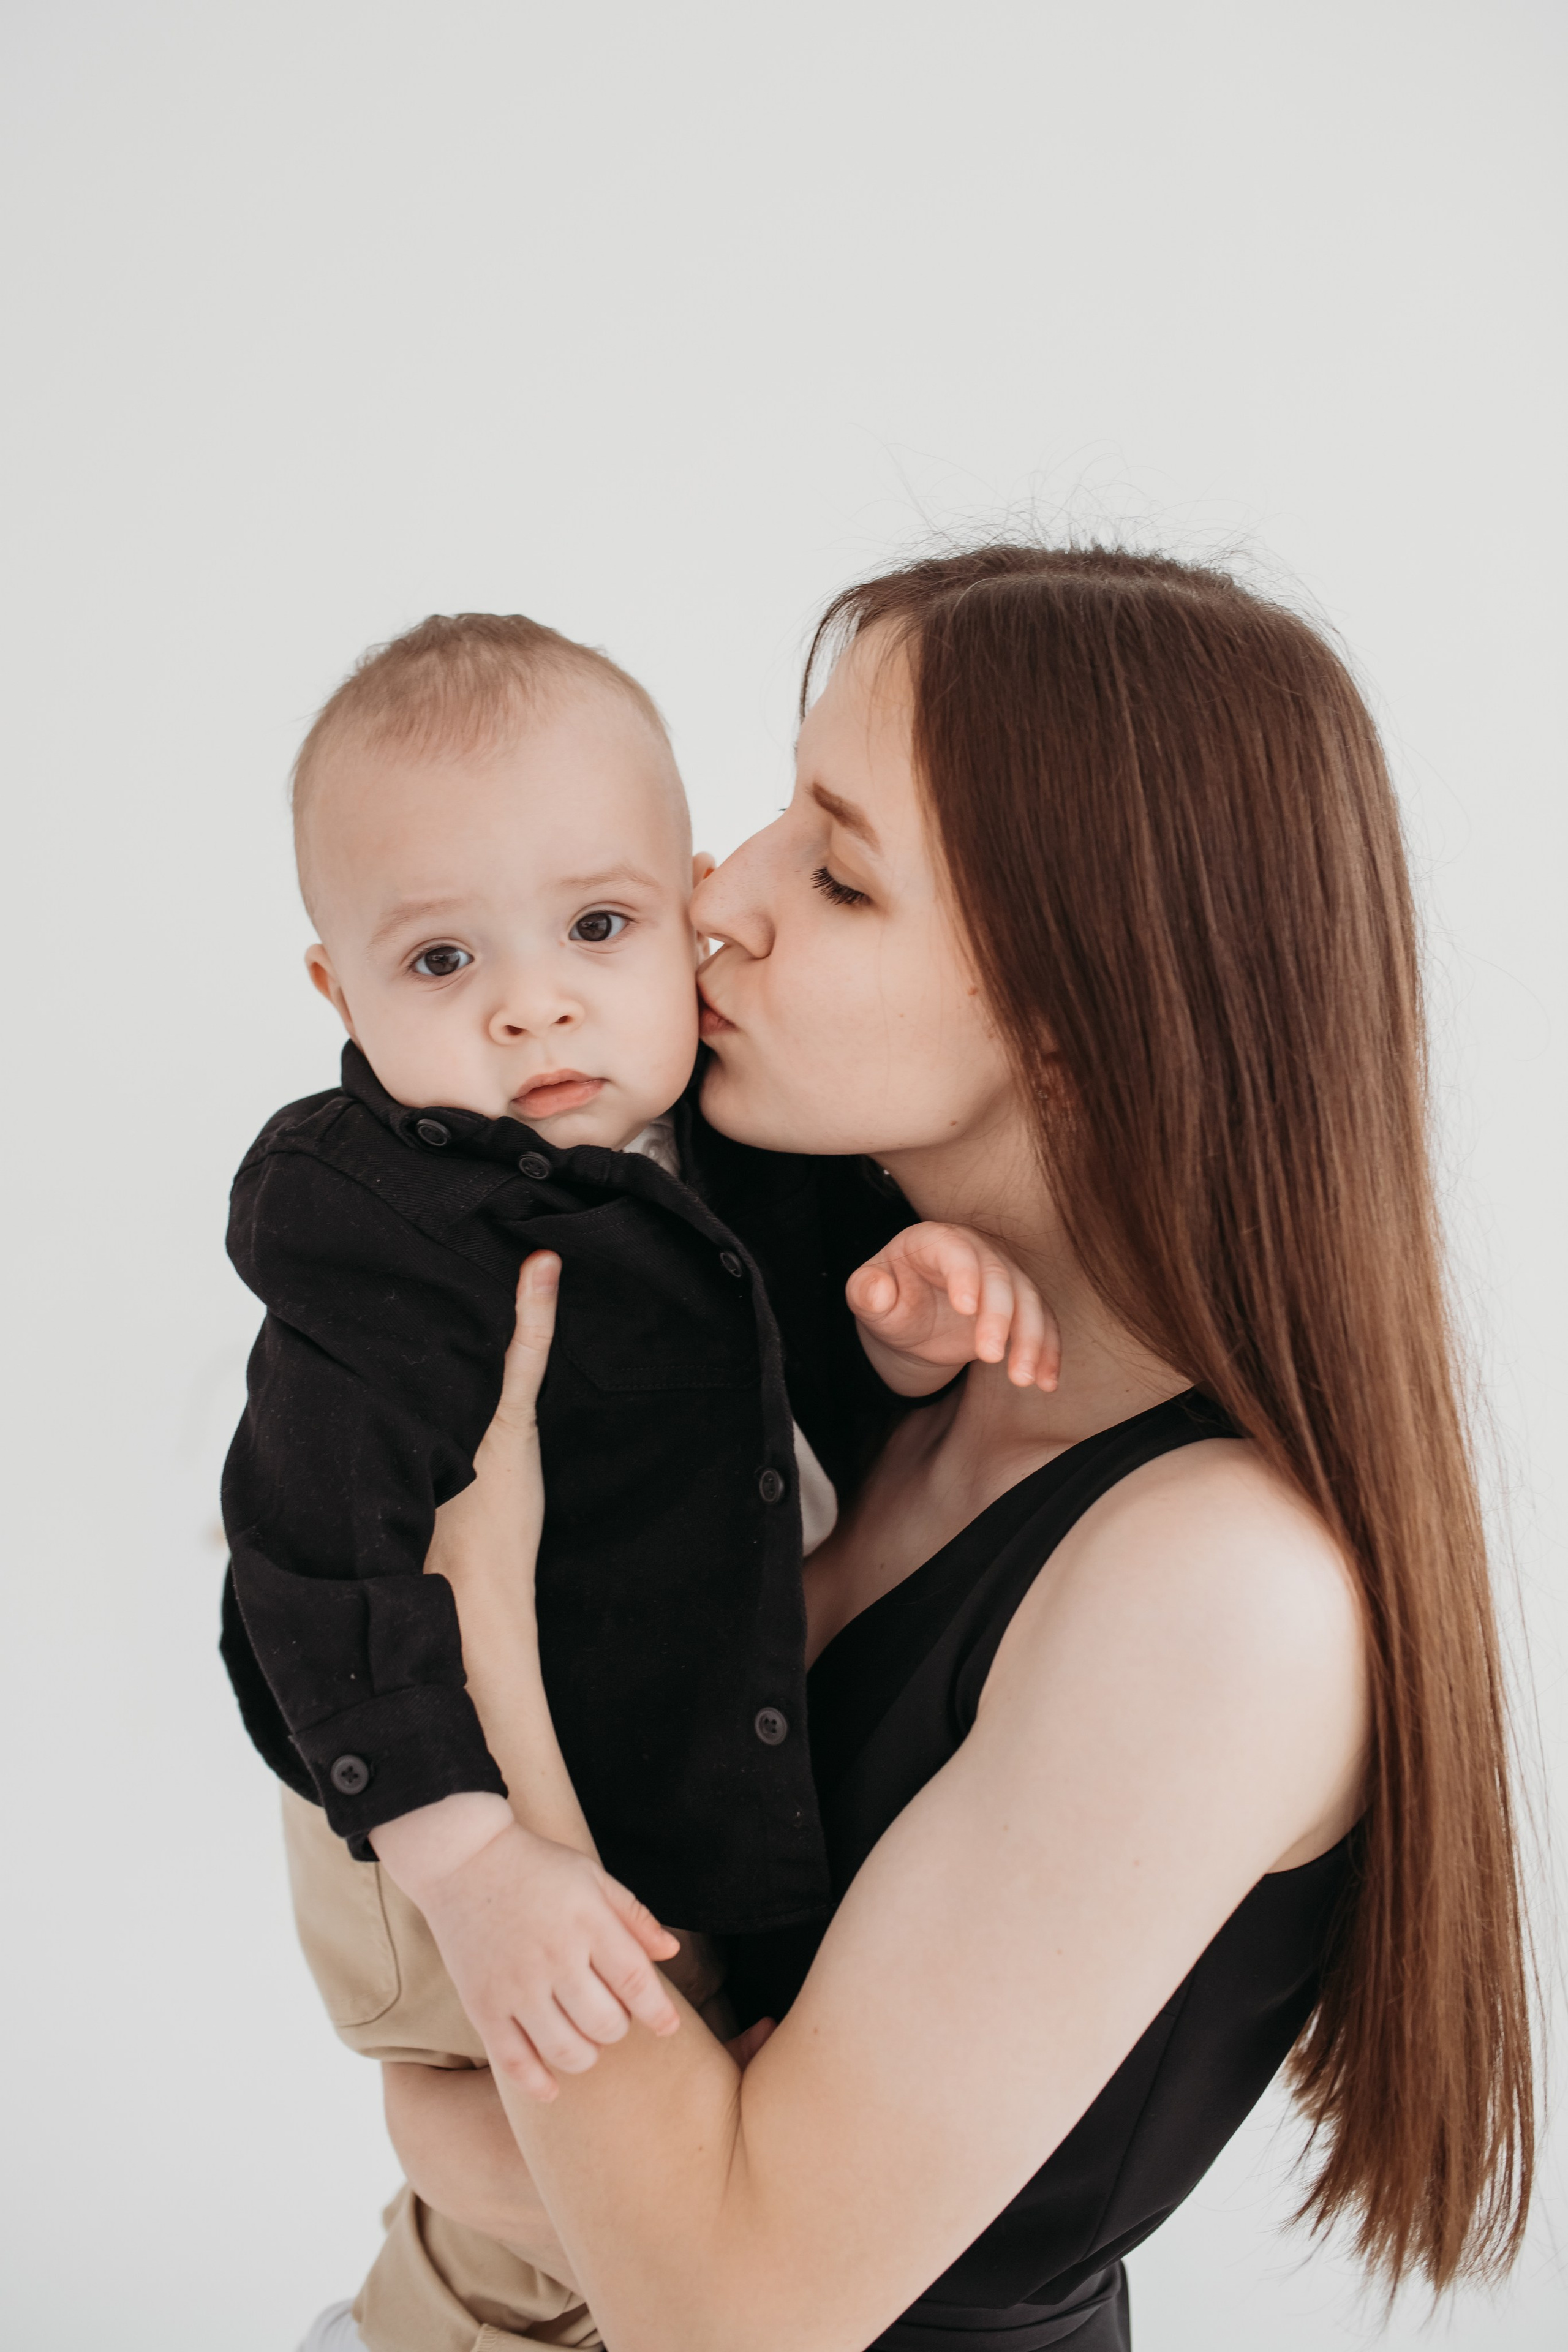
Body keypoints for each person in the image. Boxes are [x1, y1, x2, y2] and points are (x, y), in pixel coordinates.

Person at [375, 546, 1536, 2352]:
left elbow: (728, 2302)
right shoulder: (858, 1341)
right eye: (771, 820)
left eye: (838, 875)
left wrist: (476, 1625)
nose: (717, 900)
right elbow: (483, 2121)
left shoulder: (1216, 1590)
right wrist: (595, 2132)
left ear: (1083, 1027)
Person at [218, 611, 1056, 2352]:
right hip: (413, 1791)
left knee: (618, 2136)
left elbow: (788, 1403)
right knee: (543, 2164)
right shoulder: (383, 1228)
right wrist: (473, 1867)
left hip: (629, 1767)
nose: (533, 1004)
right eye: (440, 965)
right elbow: (309, 1563)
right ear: (338, 994)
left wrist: (904, 1335)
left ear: (681, 911)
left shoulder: (735, 1139)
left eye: (597, 928)